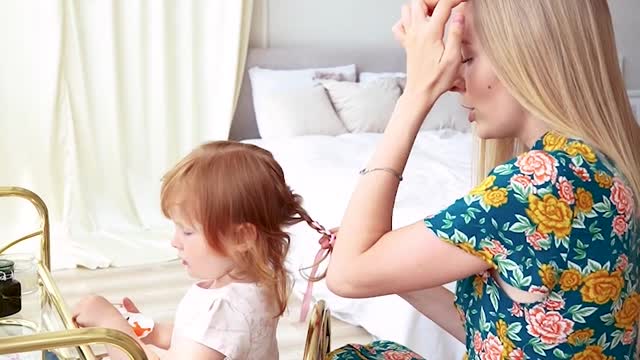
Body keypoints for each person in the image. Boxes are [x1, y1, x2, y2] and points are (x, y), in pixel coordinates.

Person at [323, 0, 640, 359]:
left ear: (529, 56)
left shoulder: (538, 184)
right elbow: (506, 336)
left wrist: (415, 95)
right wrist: (392, 271)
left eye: (467, 58)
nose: (454, 82)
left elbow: (346, 274)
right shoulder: (597, 163)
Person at [72, 141, 328, 360]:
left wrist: (112, 326)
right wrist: (152, 331)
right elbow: (203, 339)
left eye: (187, 232)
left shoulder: (223, 308)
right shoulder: (253, 283)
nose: (175, 242)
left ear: (241, 237)